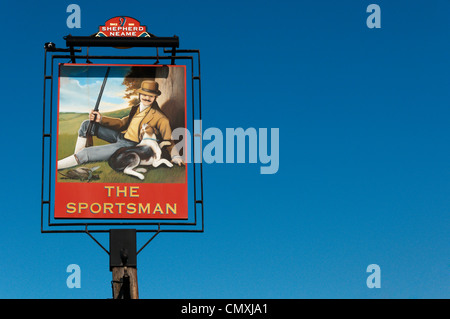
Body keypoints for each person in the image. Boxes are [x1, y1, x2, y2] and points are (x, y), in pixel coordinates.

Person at [57, 80, 184, 170]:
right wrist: (101, 119)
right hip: (121, 136)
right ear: (140, 94)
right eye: (144, 94)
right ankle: (76, 159)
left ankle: (58, 165)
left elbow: (169, 139)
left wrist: (175, 155)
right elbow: (122, 123)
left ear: (155, 97)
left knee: (86, 152)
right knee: (86, 124)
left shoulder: (160, 117)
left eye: (151, 96)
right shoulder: (136, 108)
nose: (147, 98)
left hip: (129, 146)